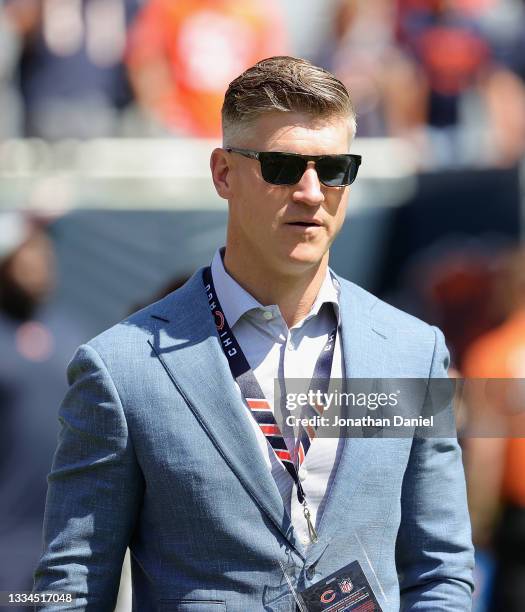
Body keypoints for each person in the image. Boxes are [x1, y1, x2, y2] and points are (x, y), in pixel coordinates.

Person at [34, 56, 474, 611]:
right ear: (223, 173)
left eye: (334, 168)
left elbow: (442, 572)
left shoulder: (413, 351)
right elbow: (66, 589)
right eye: (283, 167)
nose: (312, 192)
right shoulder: (122, 368)